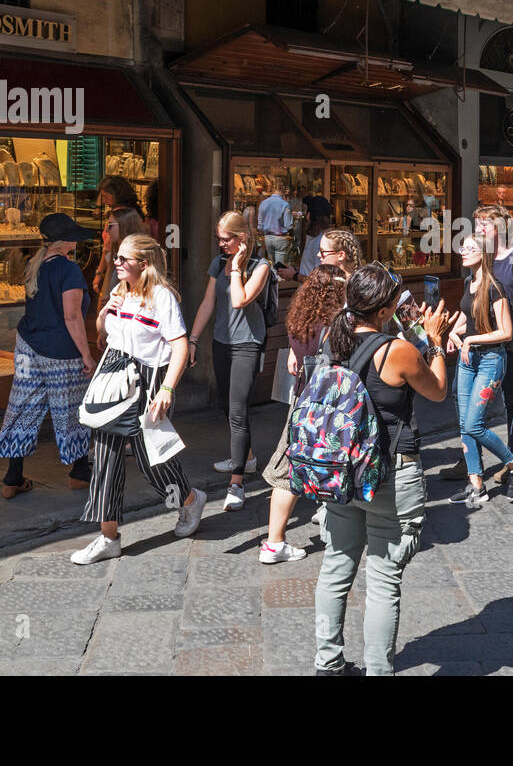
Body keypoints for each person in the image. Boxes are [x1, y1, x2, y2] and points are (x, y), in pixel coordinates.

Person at [313, 264, 455, 676]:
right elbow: (438, 390)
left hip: (340, 470)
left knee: (336, 566)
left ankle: (328, 662)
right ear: (388, 306)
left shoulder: (332, 338)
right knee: (383, 578)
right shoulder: (396, 350)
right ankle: (378, 670)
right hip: (389, 471)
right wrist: (436, 343)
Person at [72, 234, 206, 565]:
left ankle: (188, 501)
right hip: (115, 374)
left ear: (143, 264)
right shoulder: (119, 291)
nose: (116, 263)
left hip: (149, 379)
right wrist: (105, 312)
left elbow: (179, 345)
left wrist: (167, 389)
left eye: (123, 259)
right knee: (105, 455)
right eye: (117, 257)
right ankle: (108, 537)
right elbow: (104, 333)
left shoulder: (162, 297)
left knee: (152, 459)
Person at [259, 232, 360, 561]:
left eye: (323, 252)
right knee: (336, 460)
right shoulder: (339, 322)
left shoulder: (301, 317)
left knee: (291, 463)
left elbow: (300, 351)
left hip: (303, 400)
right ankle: (329, 527)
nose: (318, 256)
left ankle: (275, 541)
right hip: (332, 403)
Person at [0, 213, 98, 498]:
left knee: (23, 409)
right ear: (66, 241)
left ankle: (12, 476)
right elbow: (72, 315)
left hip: (29, 344)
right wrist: (87, 355)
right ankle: (79, 471)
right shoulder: (68, 270)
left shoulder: (35, 264)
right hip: (61, 350)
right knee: (71, 411)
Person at [439, 204, 513, 484]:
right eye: (477, 223)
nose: (479, 229)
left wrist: (493, 333)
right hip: (475, 349)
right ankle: (470, 461)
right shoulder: (477, 258)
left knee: (512, 399)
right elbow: (470, 306)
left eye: (486, 224)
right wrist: (454, 331)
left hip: (507, 346)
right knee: (462, 399)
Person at [186, 211, 272, 512]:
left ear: (242, 239)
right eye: (219, 239)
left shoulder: (262, 267)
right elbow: (209, 302)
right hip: (222, 341)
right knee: (226, 405)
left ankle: (237, 483)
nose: (221, 245)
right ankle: (246, 458)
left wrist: (236, 268)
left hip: (247, 344)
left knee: (237, 411)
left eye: (226, 239)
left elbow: (239, 299)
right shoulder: (218, 263)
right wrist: (193, 340)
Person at [92, 177, 148, 309]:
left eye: (106, 196)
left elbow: (107, 248)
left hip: (116, 267)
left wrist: (99, 274)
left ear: (116, 194)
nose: (104, 201)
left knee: (107, 307)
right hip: (128, 267)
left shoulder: (118, 217)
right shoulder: (134, 213)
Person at [257, 182, 294, 270]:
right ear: (283, 192)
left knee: (273, 266)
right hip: (280, 238)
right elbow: (289, 225)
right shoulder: (285, 205)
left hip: (268, 237)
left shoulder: (263, 203)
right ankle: (278, 283)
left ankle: (273, 283)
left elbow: (260, 225)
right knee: (280, 269)